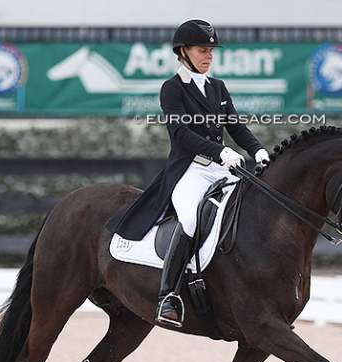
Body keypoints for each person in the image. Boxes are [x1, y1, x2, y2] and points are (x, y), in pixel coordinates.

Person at [107, 19, 270, 327]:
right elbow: (180, 133)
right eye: (201, 50)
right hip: (190, 170)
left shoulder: (217, 88)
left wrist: (258, 150)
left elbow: (235, 125)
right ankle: (169, 295)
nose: (208, 56)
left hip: (222, 170)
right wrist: (219, 151)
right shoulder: (172, 89)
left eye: (210, 50)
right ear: (183, 52)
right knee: (191, 220)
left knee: (250, 211)